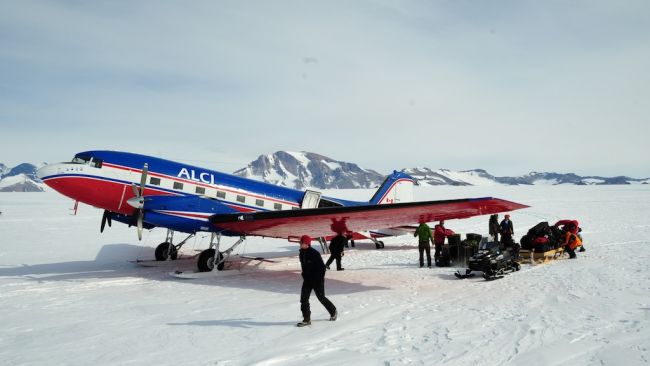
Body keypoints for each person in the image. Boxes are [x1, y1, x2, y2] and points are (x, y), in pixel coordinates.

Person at [297, 235, 337, 327]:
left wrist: (318, 279)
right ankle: (306, 319)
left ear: (307, 244)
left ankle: (333, 311)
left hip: (317, 280)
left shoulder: (314, 253)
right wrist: (304, 274)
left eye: (302, 243)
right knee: (303, 299)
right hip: (307, 280)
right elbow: (304, 266)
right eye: (300, 243)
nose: (300, 244)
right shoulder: (301, 253)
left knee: (321, 298)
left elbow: (322, 268)